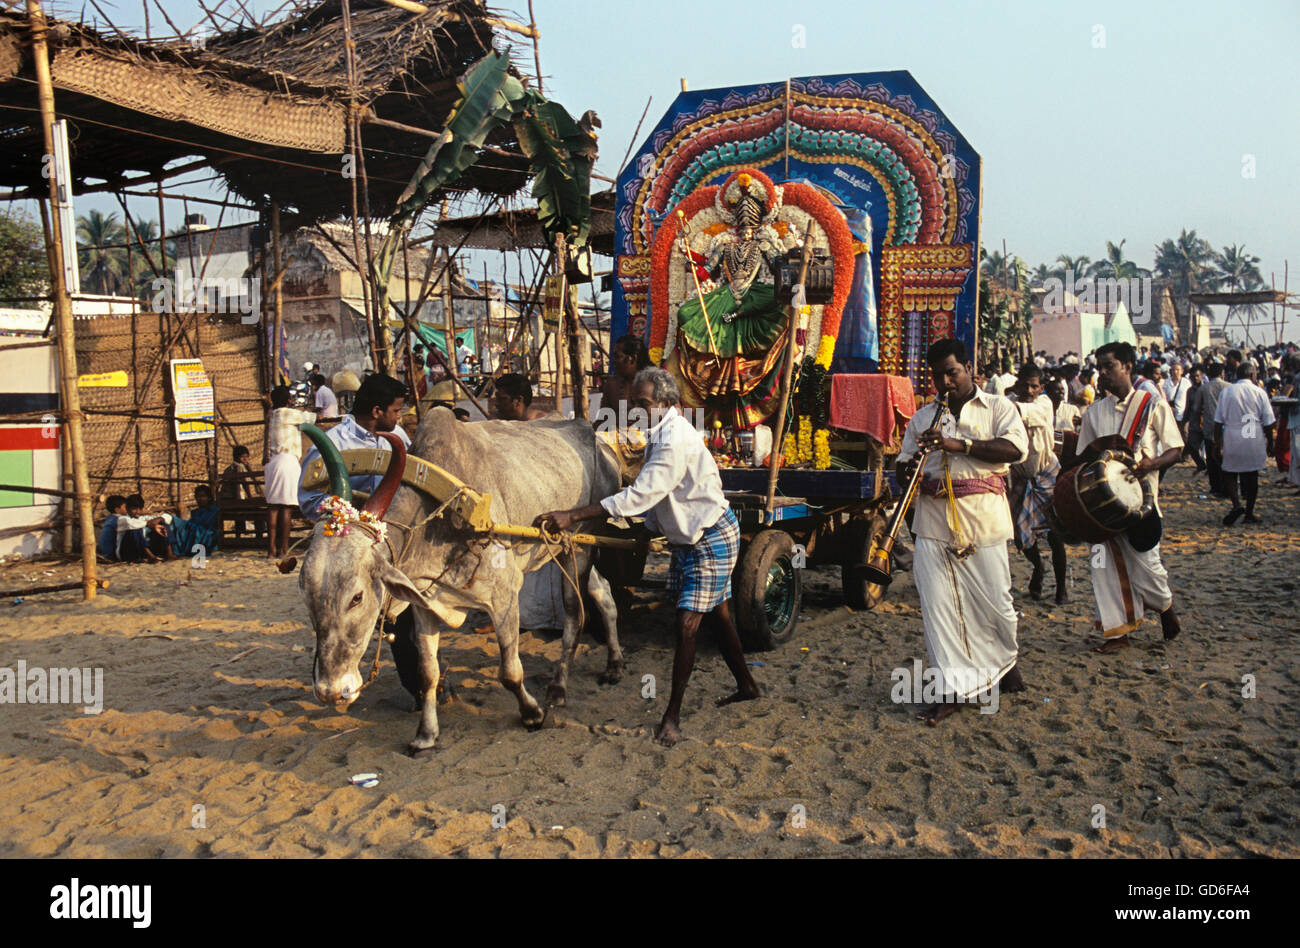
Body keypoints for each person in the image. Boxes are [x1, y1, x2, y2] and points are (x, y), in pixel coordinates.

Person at [534, 367, 761, 746]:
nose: (636, 411)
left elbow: (640, 495)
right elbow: (658, 501)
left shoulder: (673, 440)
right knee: (720, 617)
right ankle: (748, 685)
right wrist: (645, 529)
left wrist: (573, 515)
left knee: (687, 626)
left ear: (667, 404)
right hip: (688, 539)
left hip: (710, 537)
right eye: (634, 404)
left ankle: (671, 716)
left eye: (643, 404)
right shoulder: (660, 434)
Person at [895, 338, 1029, 725]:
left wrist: (959, 444)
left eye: (951, 372)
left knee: (996, 605)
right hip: (933, 522)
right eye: (937, 376)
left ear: (969, 368)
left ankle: (1004, 665)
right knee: (938, 608)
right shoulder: (923, 418)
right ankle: (950, 692)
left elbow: (1014, 450)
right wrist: (910, 467)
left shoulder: (1000, 407)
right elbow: (903, 467)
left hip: (983, 520)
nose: (945, 382)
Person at [1078, 342, 1183, 654]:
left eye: (1109, 367)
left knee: (1146, 565)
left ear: (1126, 366)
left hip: (1141, 503)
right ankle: (1117, 635)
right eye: (1100, 368)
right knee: (1104, 566)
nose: (1103, 374)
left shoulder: (1152, 405)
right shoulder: (1095, 412)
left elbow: (1175, 449)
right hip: (1103, 507)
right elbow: (1084, 456)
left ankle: (1165, 608)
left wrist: (1153, 464)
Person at [298, 373, 411, 522]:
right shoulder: (333, 443)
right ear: (376, 411)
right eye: (396, 411)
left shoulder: (399, 437)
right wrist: (346, 507)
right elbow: (308, 500)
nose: (399, 417)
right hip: (348, 535)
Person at [1007, 365, 1068, 602]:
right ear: (1018, 385)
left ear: (1041, 388)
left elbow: (1029, 413)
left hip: (1047, 475)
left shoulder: (1044, 404)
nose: (1029, 390)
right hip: (1021, 478)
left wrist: (1008, 407)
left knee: (1055, 534)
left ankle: (1061, 587)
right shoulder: (1009, 403)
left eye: (1035, 386)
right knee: (1021, 533)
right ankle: (1038, 567)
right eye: (1025, 385)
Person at [1214, 361, 1275, 525]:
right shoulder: (1259, 392)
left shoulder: (1227, 391)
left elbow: (1218, 421)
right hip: (1252, 434)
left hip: (1232, 435)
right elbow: (1269, 421)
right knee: (1251, 475)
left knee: (1229, 473)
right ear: (1253, 375)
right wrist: (1271, 442)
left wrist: (1217, 443)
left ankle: (1236, 504)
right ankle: (1249, 512)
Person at [265, 386, 314, 559]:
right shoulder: (288, 413)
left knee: (273, 507)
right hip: (287, 461)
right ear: (288, 401)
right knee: (286, 507)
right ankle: (284, 549)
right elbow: (311, 419)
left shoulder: (273, 414)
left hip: (273, 463)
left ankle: (271, 549)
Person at [1199, 362, 1231, 497]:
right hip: (1226, 427)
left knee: (1212, 459)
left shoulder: (1204, 388)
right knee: (1225, 458)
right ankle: (1226, 486)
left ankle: (1215, 486)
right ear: (1222, 373)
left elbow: (1196, 409)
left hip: (1209, 426)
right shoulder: (1229, 387)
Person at [602, 334, 652, 415]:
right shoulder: (611, 385)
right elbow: (603, 420)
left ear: (632, 359)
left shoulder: (655, 384)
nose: (613, 360)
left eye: (617, 356)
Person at [169, 484, 220, 557]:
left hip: (206, 534)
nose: (200, 499)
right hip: (195, 531)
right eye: (198, 497)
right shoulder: (196, 512)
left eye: (203, 496)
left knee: (177, 522)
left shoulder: (213, 510)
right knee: (176, 530)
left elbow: (205, 524)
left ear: (209, 498)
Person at [1182, 366, 1207, 473]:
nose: (1195, 378)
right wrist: (1184, 421)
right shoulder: (1190, 391)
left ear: (1201, 376)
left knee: (1210, 449)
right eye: (1193, 377)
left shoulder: (1206, 388)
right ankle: (1201, 464)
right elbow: (1188, 407)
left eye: (1197, 376)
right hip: (1194, 422)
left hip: (1206, 422)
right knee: (1192, 446)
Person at [97, 495, 127, 561]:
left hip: (104, 553)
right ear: (117, 510)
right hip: (110, 555)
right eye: (125, 506)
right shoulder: (119, 520)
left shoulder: (111, 517)